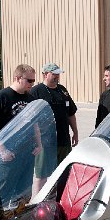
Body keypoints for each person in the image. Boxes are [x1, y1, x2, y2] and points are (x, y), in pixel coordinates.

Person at [0, 64, 42, 205]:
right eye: (29, 80)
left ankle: (19, 217)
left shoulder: (30, 99)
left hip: (27, 154)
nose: (32, 84)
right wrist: (2, 150)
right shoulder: (1, 97)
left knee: (24, 194)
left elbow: (34, 123)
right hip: (8, 154)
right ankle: (1, 218)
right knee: (3, 194)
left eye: (34, 81)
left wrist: (39, 144)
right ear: (17, 78)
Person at [30, 63, 79, 192]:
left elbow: (71, 113)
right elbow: (30, 119)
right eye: (54, 74)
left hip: (63, 140)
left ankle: (58, 198)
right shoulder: (36, 91)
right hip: (45, 142)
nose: (57, 76)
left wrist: (75, 132)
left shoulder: (62, 90)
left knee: (64, 172)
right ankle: (38, 200)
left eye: (58, 74)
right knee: (42, 175)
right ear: (45, 74)